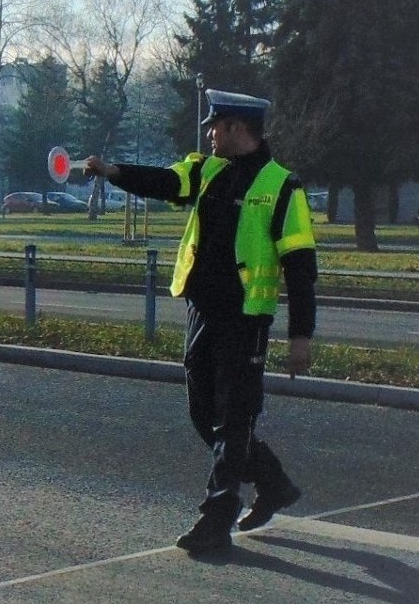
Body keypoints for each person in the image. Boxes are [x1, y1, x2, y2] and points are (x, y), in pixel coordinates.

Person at [85, 89, 317, 554]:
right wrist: (113, 173)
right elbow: (165, 183)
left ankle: (216, 519)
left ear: (236, 128)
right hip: (202, 312)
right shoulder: (206, 170)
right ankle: (273, 484)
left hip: (245, 318)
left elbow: (301, 267)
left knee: (234, 420)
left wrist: (300, 336)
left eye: (215, 126)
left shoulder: (281, 187)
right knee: (203, 416)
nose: (209, 134)